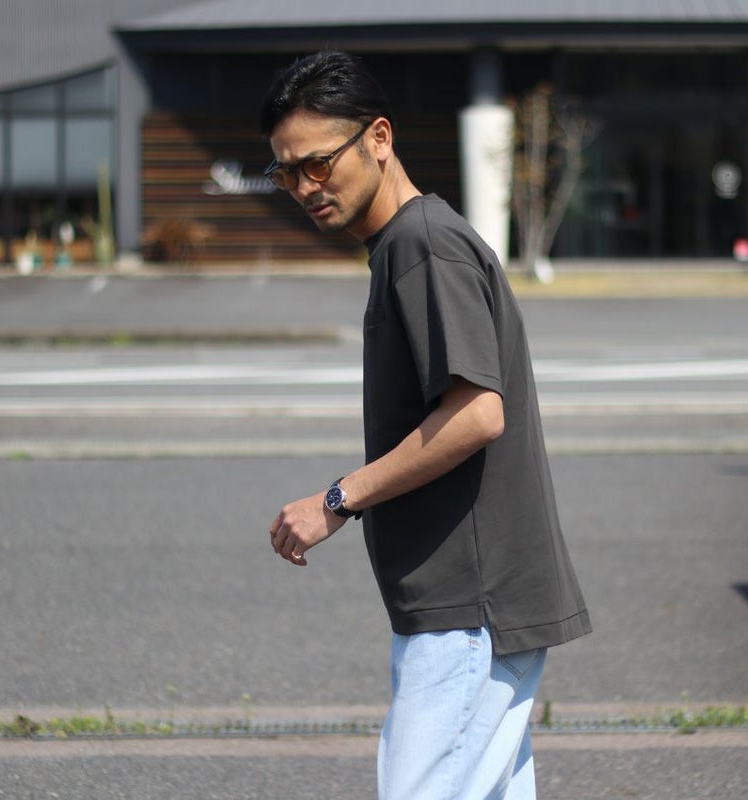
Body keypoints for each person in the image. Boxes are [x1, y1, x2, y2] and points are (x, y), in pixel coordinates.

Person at [263, 51, 591, 800]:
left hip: (469, 609)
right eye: (287, 173)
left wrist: (336, 500)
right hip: (469, 608)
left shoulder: (423, 244)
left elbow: (477, 412)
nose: (306, 187)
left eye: (318, 163)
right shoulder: (407, 245)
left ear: (379, 138)